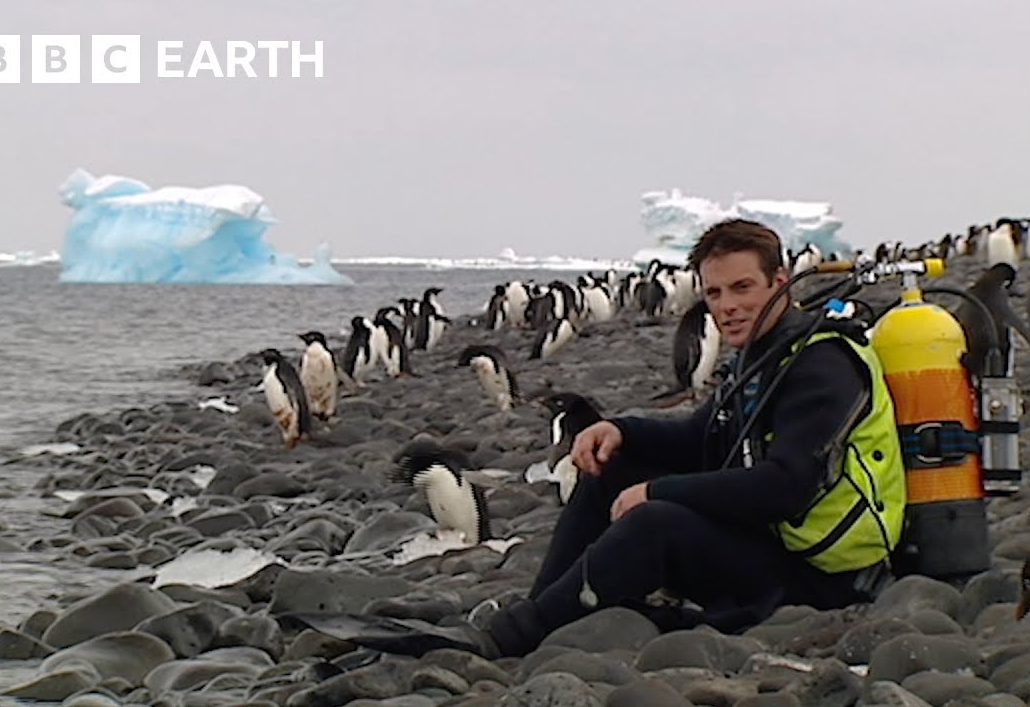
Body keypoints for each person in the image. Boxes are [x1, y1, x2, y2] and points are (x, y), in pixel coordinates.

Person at [348, 218, 907, 659]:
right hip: (775, 542)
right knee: (610, 465)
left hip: (822, 575)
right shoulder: (765, 355)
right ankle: (541, 610)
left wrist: (659, 493)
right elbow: (703, 437)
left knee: (654, 520)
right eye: (715, 292)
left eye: (743, 288)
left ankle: (514, 635)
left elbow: (787, 486)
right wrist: (618, 430)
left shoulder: (819, 364)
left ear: (780, 283)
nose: (728, 306)